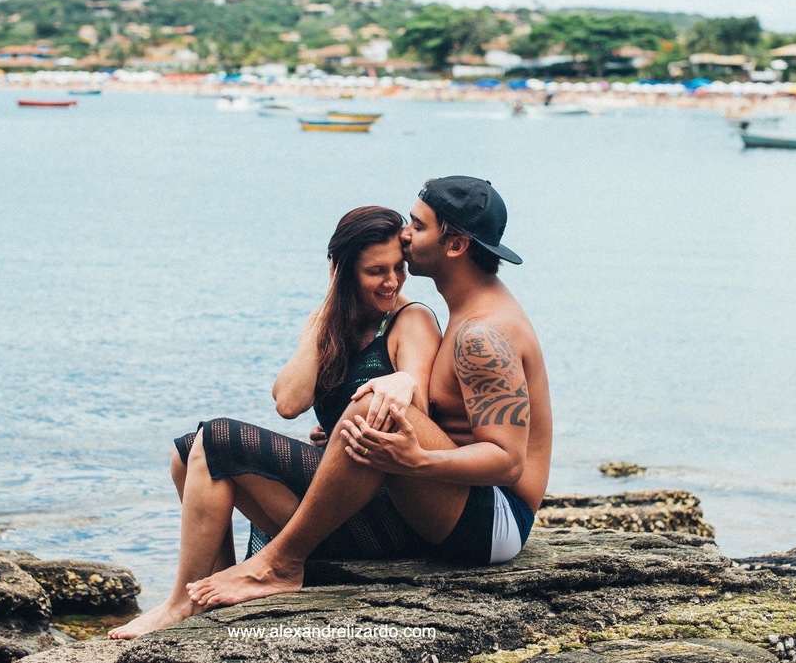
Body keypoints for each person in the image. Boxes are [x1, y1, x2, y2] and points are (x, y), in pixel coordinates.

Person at [185, 176, 551, 610]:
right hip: (448, 500)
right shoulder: (465, 311)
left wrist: (417, 460)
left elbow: (508, 462)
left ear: (455, 245)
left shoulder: (482, 334)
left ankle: (282, 563)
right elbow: (290, 402)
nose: (404, 234)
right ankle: (200, 596)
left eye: (418, 225)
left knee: (374, 408)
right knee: (204, 449)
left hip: (496, 521)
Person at [108, 205, 441, 639]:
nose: (392, 281)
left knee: (217, 439)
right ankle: (214, 587)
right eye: (375, 271)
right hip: (338, 502)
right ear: (341, 273)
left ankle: (179, 604)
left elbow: (418, 411)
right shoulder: (332, 324)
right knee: (187, 454)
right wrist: (325, 314)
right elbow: (290, 399)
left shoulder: (410, 319)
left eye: (398, 268)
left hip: (384, 518)